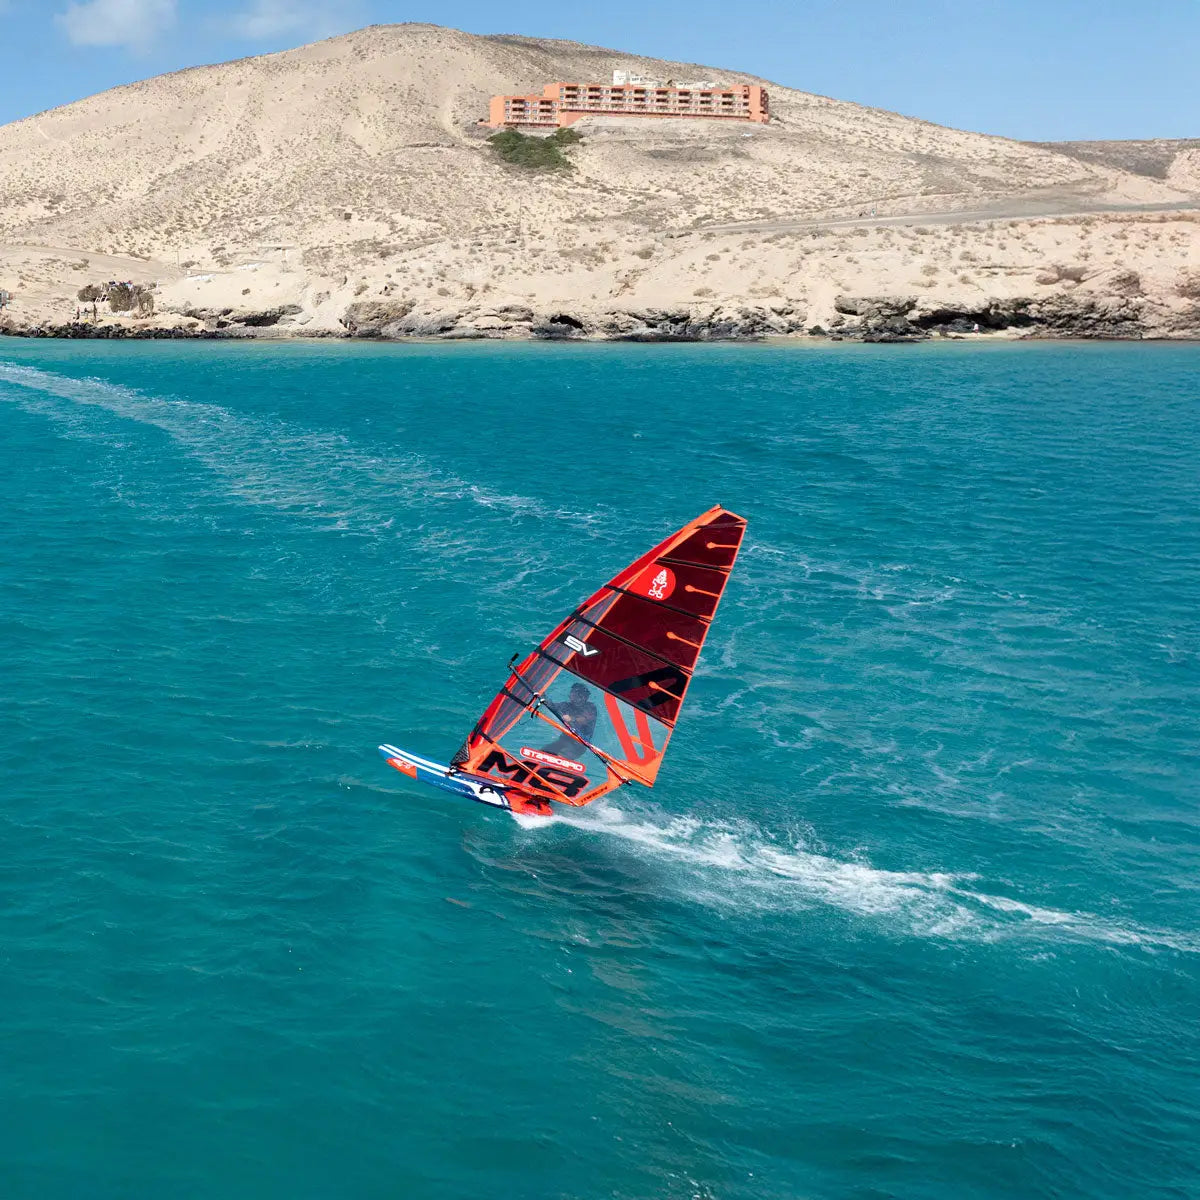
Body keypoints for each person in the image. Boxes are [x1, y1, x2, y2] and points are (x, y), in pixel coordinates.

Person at [543, 682, 597, 756]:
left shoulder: (590, 707)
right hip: (564, 740)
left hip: (579, 744)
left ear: (585, 697)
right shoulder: (566, 705)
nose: (574, 695)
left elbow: (585, 719)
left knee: (559, 757)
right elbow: (551, 705)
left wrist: (572, 719)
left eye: (579, 694)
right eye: (573, 692)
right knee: (543, 752)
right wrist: (542, 696)